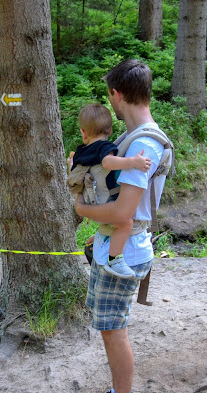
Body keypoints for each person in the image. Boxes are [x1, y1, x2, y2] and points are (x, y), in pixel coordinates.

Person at [75, 59, 168, 393]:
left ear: (116, 94)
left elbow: (122, 212)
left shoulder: (143, 143)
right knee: (109, 327)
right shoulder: (134, 140)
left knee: (114, 330)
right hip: (117, 244)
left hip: (125, 249)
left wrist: (81, 209)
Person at [67, 103, 151, 279]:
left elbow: (74, 173)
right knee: (126, 223)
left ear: (83, 132)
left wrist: (70, 164)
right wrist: (133, 162)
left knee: (119, 223)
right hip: (106, 204)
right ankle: (115, 259)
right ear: (110, 130)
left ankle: (108, 247)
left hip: (91, 203)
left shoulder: (81, 152)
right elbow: (107, 163)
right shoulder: (104, 147)